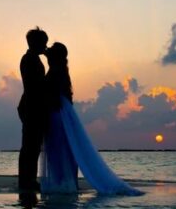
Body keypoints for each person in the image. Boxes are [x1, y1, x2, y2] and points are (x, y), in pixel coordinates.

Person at [39, 42, 143, 196]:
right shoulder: (59, 70)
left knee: (59, 147)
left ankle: (63, 183)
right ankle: (65, 182)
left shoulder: (56, 72)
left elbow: (51, 94)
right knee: (65, 148)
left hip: (57, 113)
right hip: (61, 111)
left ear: (55, 57)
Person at [17, 27, 49, 191]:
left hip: (31, 106)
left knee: (32, 146)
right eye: (44, 43)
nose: (45, 46)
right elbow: (36, 86)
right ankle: (26, 181)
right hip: (31, 107)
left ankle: (28, 179)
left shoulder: (32, 59)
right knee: (30, 146)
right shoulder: (29, 60)